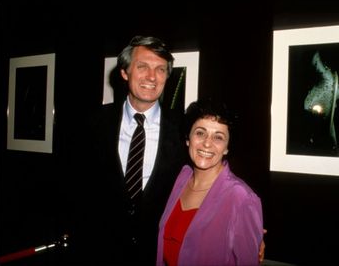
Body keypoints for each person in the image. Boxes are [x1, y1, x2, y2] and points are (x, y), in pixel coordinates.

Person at [64, 35, 188, 265]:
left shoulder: (184, 129)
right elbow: (74, 187)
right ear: (124, 72)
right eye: (142, 67)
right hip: (99, 252)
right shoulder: (92, 125)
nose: (152, 76)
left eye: (160, 69)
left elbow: (210, 181)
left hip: (159, 255)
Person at [156, 98, 264, 266]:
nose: (207, 143)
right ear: (187, 138)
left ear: (227, 147)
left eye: (218, 137)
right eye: (200, 133)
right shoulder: (179, 177)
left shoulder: (241, 198)